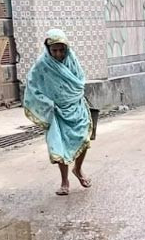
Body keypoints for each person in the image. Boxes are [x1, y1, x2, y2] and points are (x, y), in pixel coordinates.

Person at [23, 29, 93, 196]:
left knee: (84, 139)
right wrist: (47, 103)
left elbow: (79, 81)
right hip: (56, 110)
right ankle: (64, 181)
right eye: (54, 50)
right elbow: (32, 86)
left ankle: (78, 169)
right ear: (48, 49)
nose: (58, 54)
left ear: (66, 48)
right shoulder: (42, 65)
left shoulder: (72, 60)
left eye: (62, 50)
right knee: (60, 146)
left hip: (76, 107)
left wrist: (74, 95)